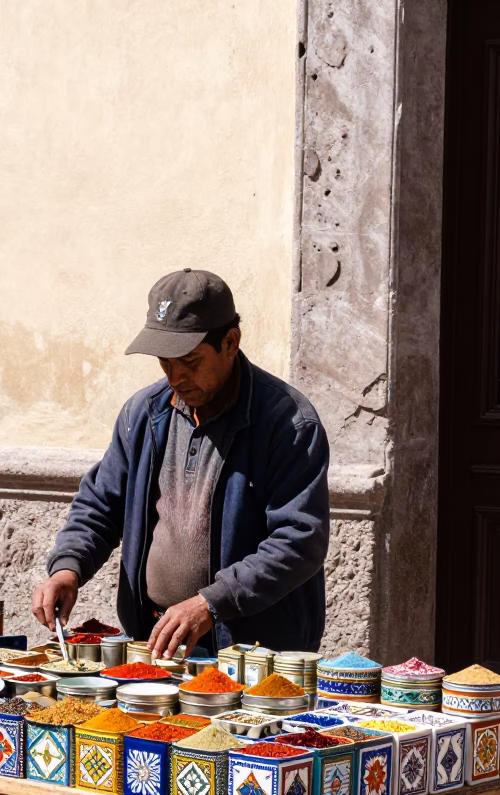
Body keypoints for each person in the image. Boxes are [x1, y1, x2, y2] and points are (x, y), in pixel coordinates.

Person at [32, 268, 330, 658]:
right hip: (158, 640)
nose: (176, 377)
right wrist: (68, 568)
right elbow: (101, 506)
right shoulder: (143, 413)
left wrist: (211, 602)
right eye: (165, 362)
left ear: (230, 342)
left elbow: (299, 540)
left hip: (253, 652)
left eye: (190, 361)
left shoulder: (288, 423)